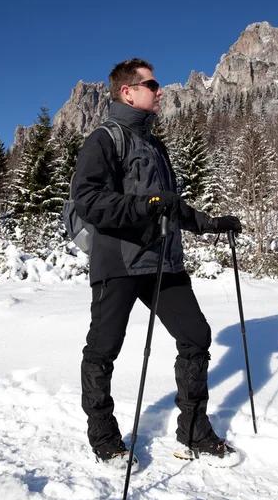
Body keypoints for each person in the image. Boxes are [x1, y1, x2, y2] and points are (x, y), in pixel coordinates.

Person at [73, 58, 242, 467]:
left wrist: (210, 224)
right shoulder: (104, 139)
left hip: (162, 262)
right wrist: (144, 205)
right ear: (127, 92)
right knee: (103, 350)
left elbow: (169, 207)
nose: (160, 90)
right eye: (152, 84)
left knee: (196, 336)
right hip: (119, 262)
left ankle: (194, 432)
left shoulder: (155, 145)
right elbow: (89, 200)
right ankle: (104, 438)